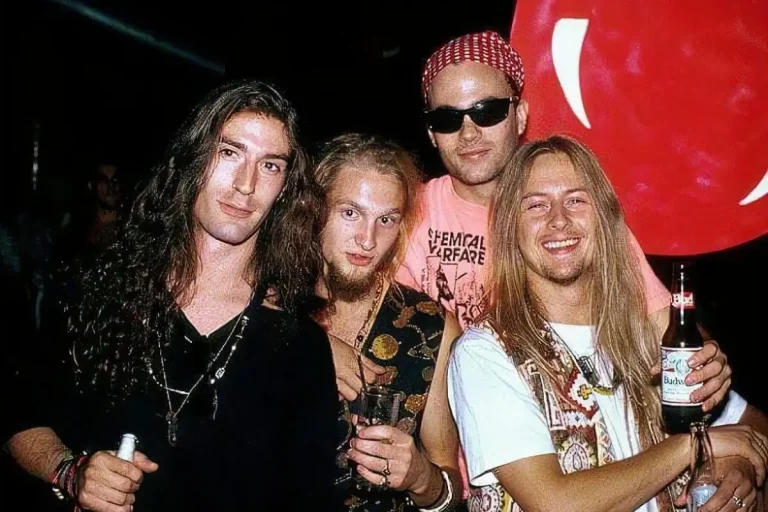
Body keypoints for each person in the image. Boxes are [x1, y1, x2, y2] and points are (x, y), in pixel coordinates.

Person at [397, 29, 734, 496]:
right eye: (449, 118)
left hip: (596, 470)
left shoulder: (581, 223)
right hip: (461, 484)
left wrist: (712, 387)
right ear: (431, 132)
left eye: (488, 111)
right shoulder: (406, 218)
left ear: (520, 114)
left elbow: (670, 342)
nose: (469, 132)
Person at [3, 79, 340, 510]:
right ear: (192, 159)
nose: (246, 183)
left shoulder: (299, 345)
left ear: (286, 188)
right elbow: (19, 414)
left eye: (270, 165)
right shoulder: (97, 292)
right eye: (229, 152)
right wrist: (70, 471)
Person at [447, 135, 768, 512]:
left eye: (576, 200)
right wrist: (693, 446)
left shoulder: (645, 336)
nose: (558, 220)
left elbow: (754, 426)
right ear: (509, 229)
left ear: (605, 218)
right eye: (536, 205)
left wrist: (738, 466)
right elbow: (554, 504)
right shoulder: (483, 352)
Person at [313, 133, 465, 511]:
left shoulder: (432, 328)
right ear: (315, 208)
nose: (367, 239)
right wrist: (308, 345)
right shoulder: (266, 303)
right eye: (350, 213)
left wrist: (419, 478)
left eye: (386, 219)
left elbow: (450, 487)